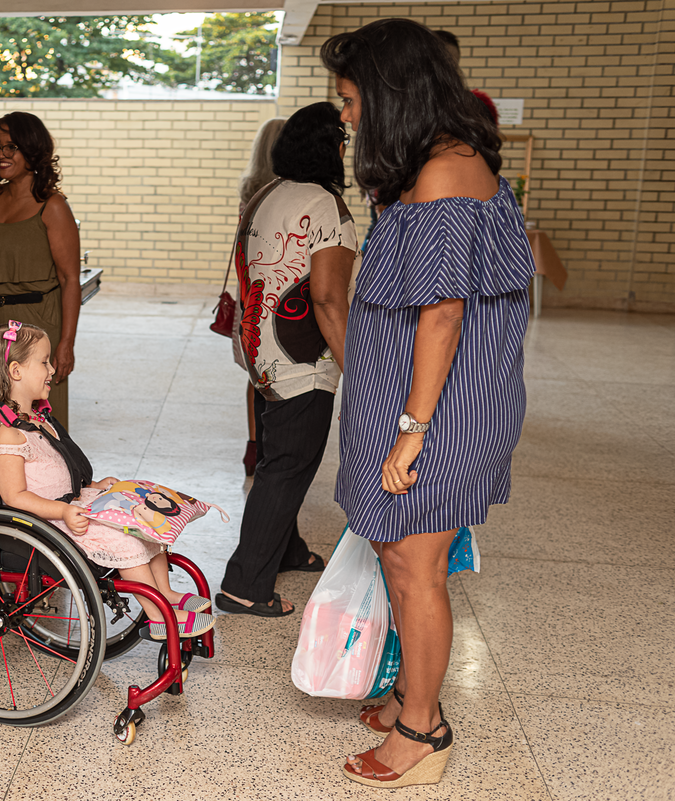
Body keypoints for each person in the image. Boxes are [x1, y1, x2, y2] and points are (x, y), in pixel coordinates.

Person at [323, 18, 533, 787]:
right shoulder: (431, 164)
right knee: (396, 552)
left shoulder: (447, 172)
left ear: (388, 92)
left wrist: (411, 432)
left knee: (416, 566)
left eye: (350, 100)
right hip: (415, 400)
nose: (345, 115)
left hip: (438, 411)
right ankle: (412, 693)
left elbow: (443, 313)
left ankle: (423, 729)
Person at [0, 322, 214, 641]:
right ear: (15, 371)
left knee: (143, 522)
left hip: (72, 504)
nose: (51, 368)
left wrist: (95, 486)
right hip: (49, 523)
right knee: (127, 539)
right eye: (44, 361)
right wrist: (62, 512)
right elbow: (14, 496)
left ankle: (165, 594)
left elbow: (55, 473)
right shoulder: (7, 433)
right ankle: (157, 617)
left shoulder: (35, 421)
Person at [216, 103, 356, 620]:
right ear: (331, 148)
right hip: (303, 355)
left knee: (280, 452)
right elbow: (327, 300)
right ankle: (244, 585)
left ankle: (289, 550)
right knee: (288, 466)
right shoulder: (326, 204)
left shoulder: (265, 194)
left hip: (260, 348)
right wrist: (356, 372)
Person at [0, 112, 81, 429]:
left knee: (36, 420)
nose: (1, 154)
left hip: (35, 325)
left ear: (32, 150)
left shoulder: (52, 207)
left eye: (11, 146)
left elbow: (70, 280)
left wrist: (66, 343)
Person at [234, 117, 285, 476]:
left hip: (249, 291)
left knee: (255, 377)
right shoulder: (290, 194)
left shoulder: (250, 188)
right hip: (279, 295)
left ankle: (253, 446)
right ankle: (273, 446)